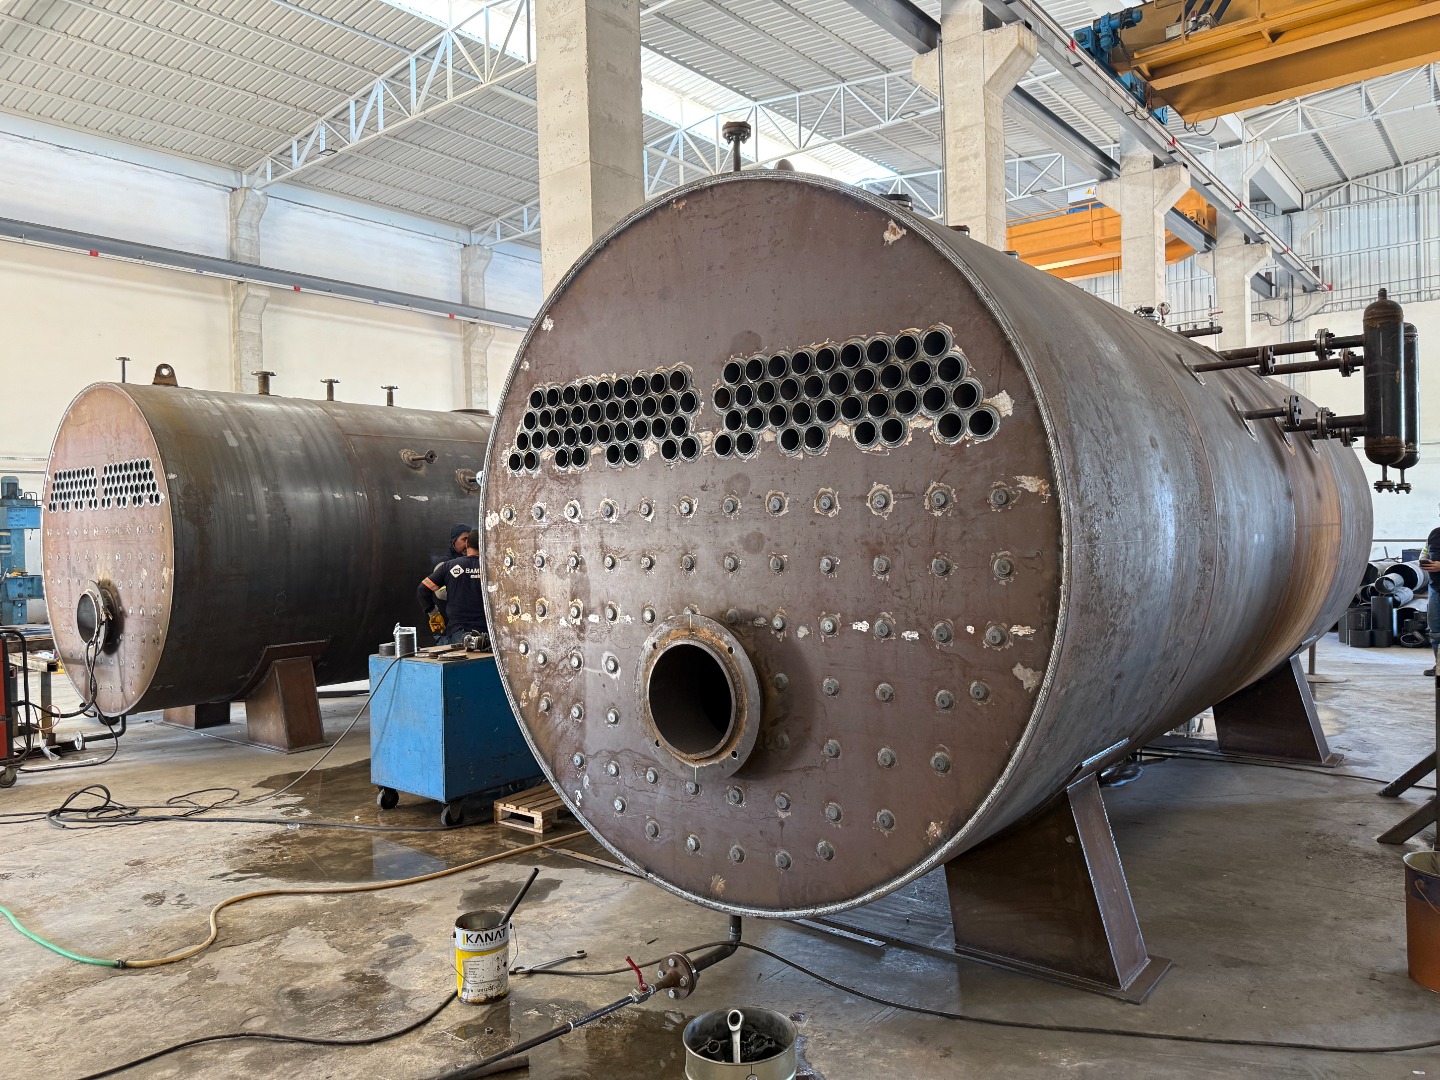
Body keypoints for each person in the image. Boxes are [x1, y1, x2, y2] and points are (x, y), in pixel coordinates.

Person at [419, 532, 487, 647]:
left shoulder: (449, 566)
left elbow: (423, 589)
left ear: (467, 543)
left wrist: (433, 613)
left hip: (459, 632)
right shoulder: (494, 568)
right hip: (490, 633)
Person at [424, 524, 471, 639]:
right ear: (454, 541)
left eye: (469, 540)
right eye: (464, 539)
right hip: (446, 626)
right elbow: (440, 592)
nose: (467, 544)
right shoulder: (445, 561)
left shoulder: (468, 561)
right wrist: (470, 594)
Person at [1422, 507, 1440, 676]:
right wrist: (1423, 560)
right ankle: (1439, 665)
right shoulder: (1434, 534)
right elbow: (1425, 552)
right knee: (1435, 631)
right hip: (1435, 588)